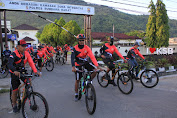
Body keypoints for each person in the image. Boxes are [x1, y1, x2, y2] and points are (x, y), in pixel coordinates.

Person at [8, 39, 40, 113]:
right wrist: (14, 70)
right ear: (18, 46)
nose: (24, 48)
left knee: (29, 82)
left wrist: (35, 71)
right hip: (14, 72)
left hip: (22, 71)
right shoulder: (14, 54)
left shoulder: (26, 53)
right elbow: (9, 64)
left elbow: (31, 62)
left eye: (25, 46)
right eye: (22, 46)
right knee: (15, 90)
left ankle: (25, 94)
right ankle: (14, 105)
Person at [71, 34, 101, 101]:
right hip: (78, 64)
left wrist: (97, 66)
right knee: (78, 79)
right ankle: (76, 94)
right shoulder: (75, 48)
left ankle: (89, 81)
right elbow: (72, 58)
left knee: (95, 71)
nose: (81, 41)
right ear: (78, 41)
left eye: (83, 40)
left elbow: (92, 57)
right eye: (80, 40)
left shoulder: (87, 47)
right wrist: (73, 67)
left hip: (85, 62)